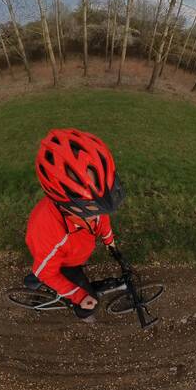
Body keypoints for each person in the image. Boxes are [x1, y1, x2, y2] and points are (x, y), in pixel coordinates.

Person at [24, 127, 126, 323]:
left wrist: (109, 241)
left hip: (74, 252)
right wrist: (79, 297)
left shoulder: (88, 208)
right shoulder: (50, 235)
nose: (97, 217)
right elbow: (44, 271)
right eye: (92, 211)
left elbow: (101, 218)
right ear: (66, 205)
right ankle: (83, 314)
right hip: (63, 265)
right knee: (91, 302)